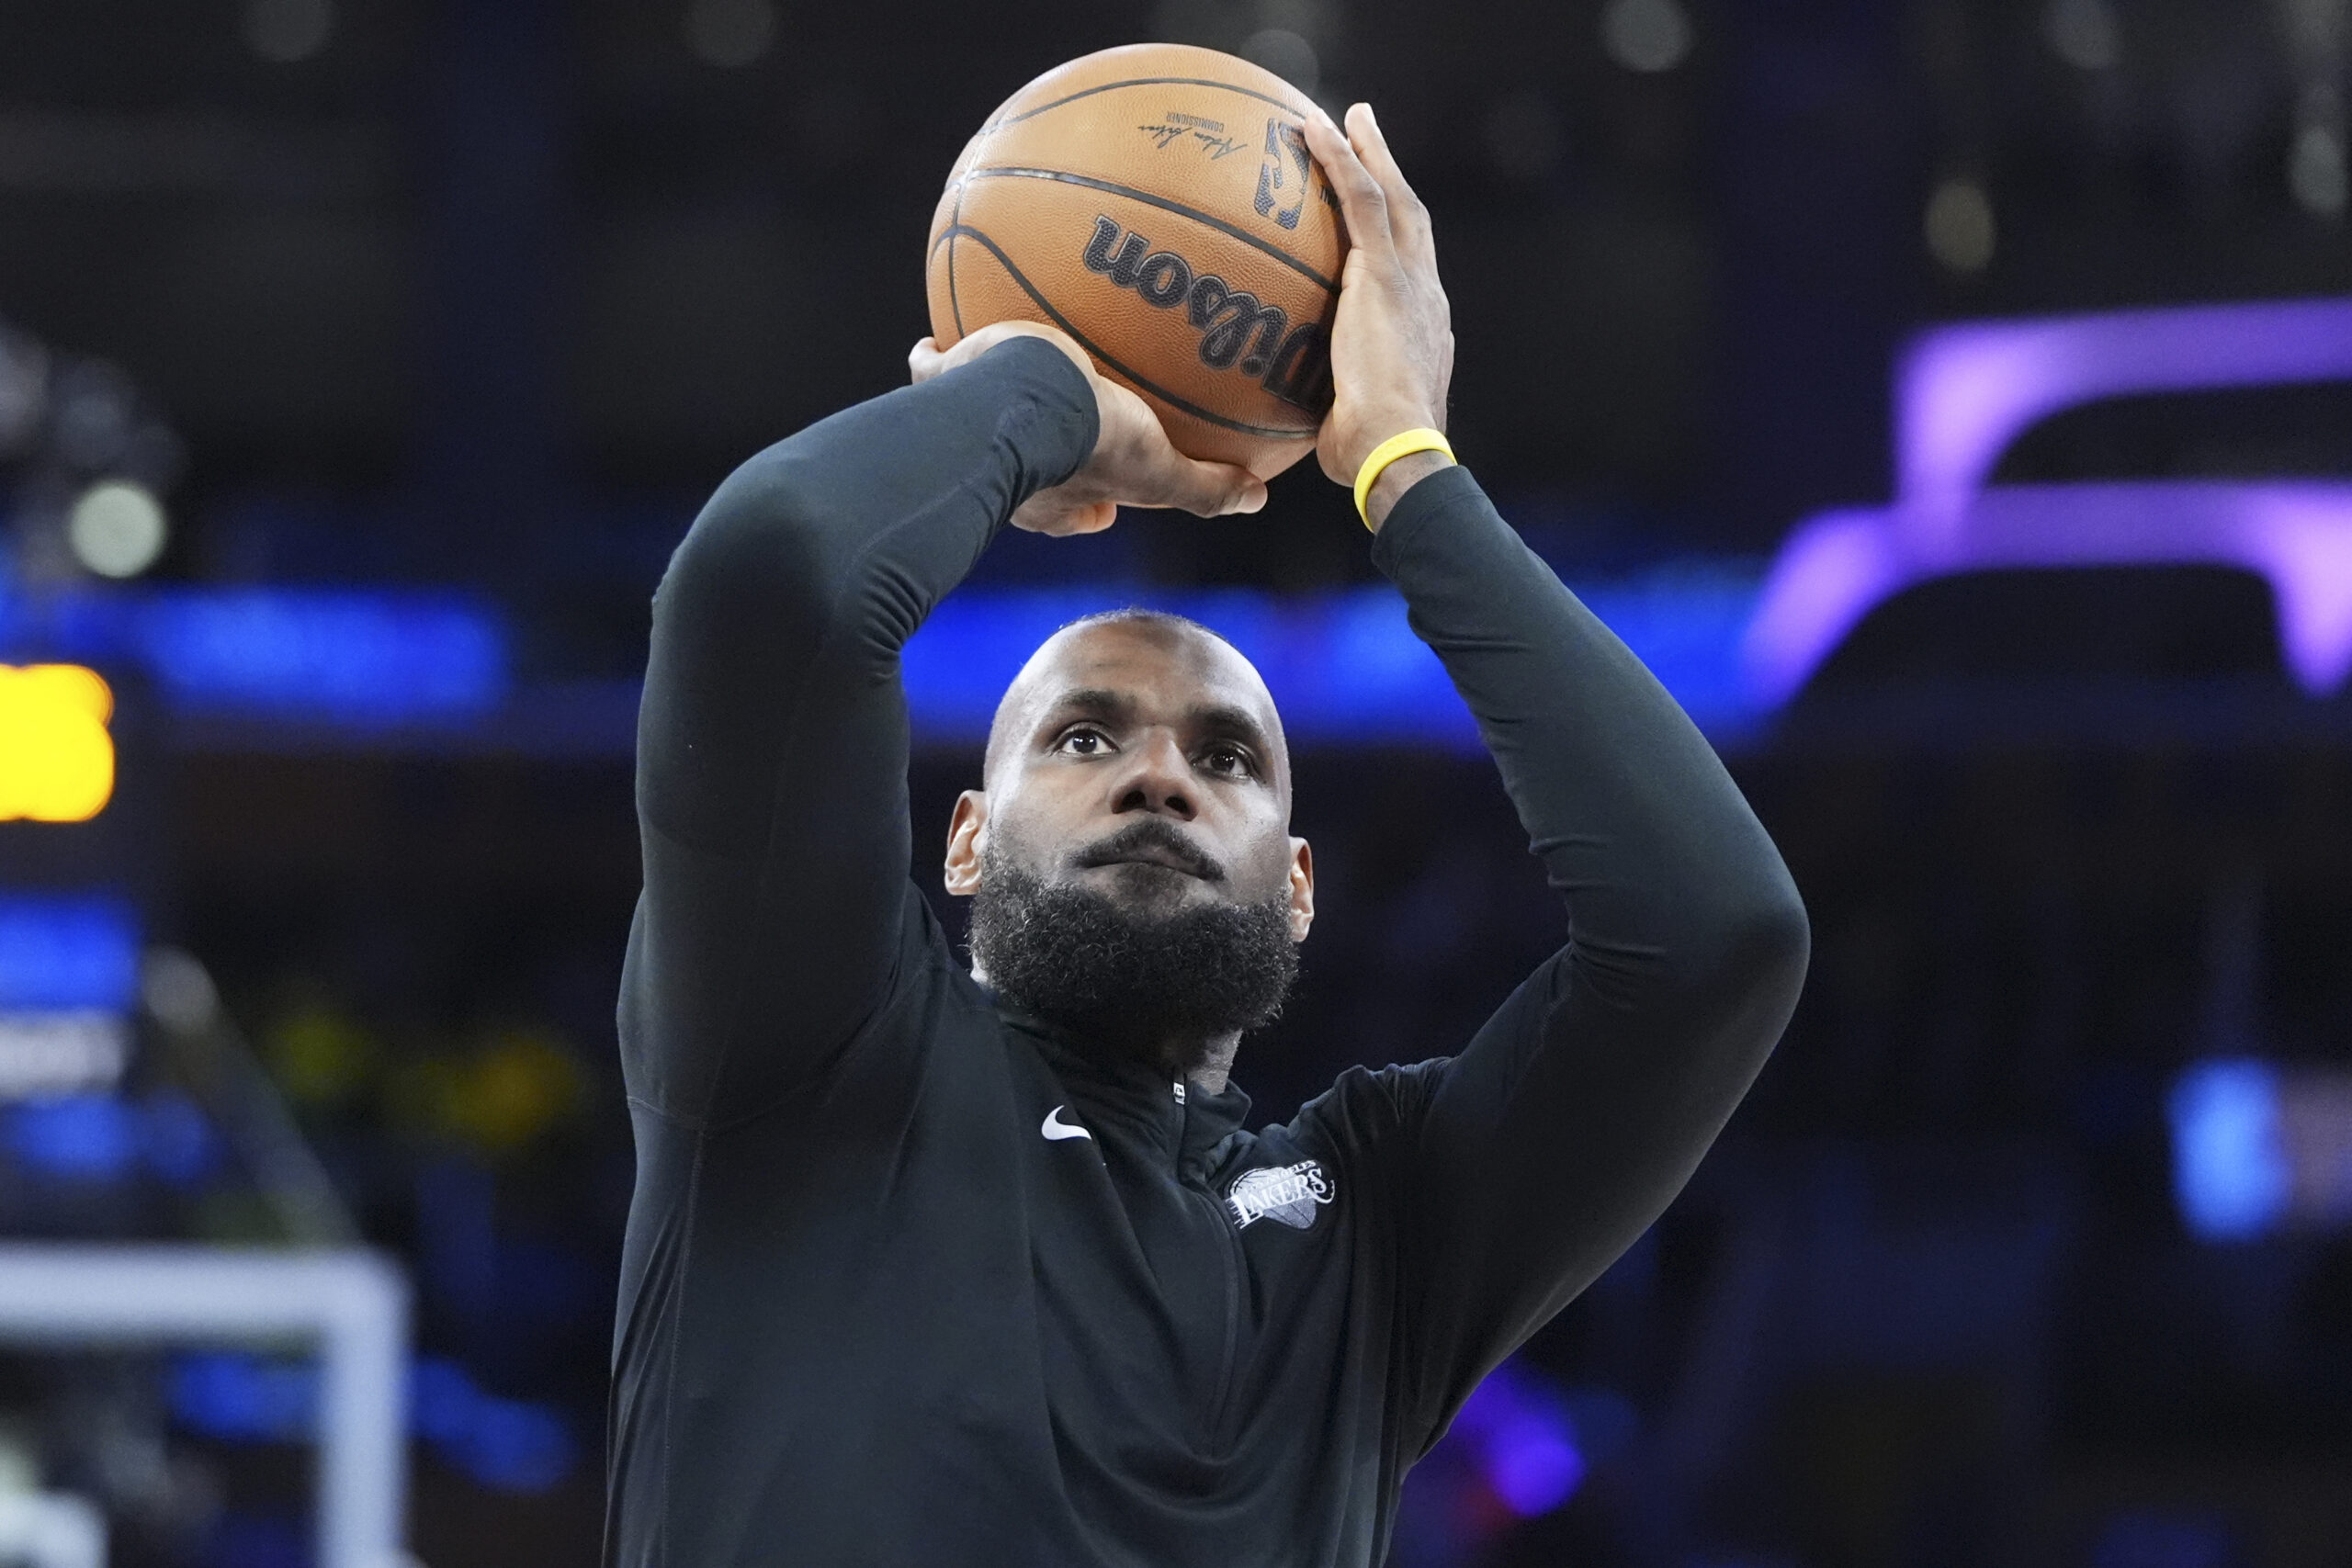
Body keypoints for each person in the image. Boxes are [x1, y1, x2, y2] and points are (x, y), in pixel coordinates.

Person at [605, 102, 1808, 1568]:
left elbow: (1717, 938)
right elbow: (771, 579)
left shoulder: (1380, 1230)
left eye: (1229, 757)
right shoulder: (814, 1049)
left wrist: (1409, 474)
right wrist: (1042, 386)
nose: (1160, 777)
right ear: (965, 842)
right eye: (1087, 736)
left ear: (1299, 887)